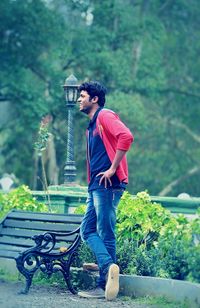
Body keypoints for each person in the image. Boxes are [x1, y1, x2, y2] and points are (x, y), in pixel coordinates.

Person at [77, 81, 133, 301]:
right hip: (96, 185)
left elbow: (126, 136)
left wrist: (112, 168)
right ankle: (108, 266)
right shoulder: (91, 125)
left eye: (82, 95)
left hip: (108, 184)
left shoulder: (105, 116)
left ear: (94, 99)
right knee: (87, 230)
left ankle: (104, 284)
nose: (79, 99)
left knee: (105, 231)